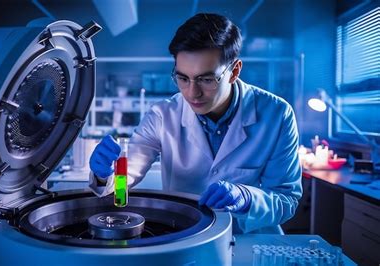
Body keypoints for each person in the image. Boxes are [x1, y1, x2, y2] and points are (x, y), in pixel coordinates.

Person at [89, 13, 302, 234]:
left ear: (234, 71)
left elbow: (286, 200)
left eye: (206, 79)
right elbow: (125, 177)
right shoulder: (162, 115)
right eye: (183, 78)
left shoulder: (277, 114)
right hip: (184, 236)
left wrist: (247, 198)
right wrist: (106, 175)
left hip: (249, 240)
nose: (192, 93)